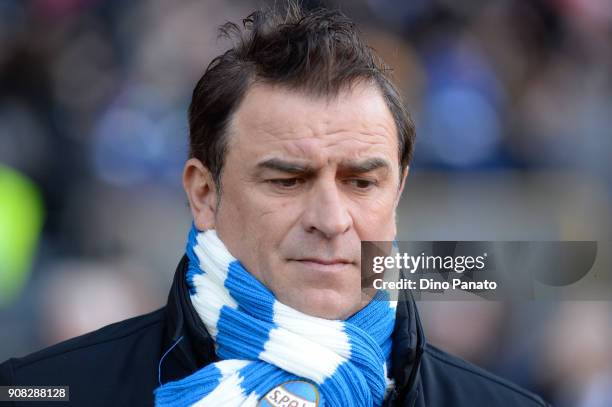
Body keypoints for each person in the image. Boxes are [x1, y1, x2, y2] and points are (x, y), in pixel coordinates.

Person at [0, 3, 550, 406]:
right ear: (203, 194)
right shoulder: (41, 393)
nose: (331, 220)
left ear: (398, 192)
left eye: (362, 182)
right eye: (287, 181)